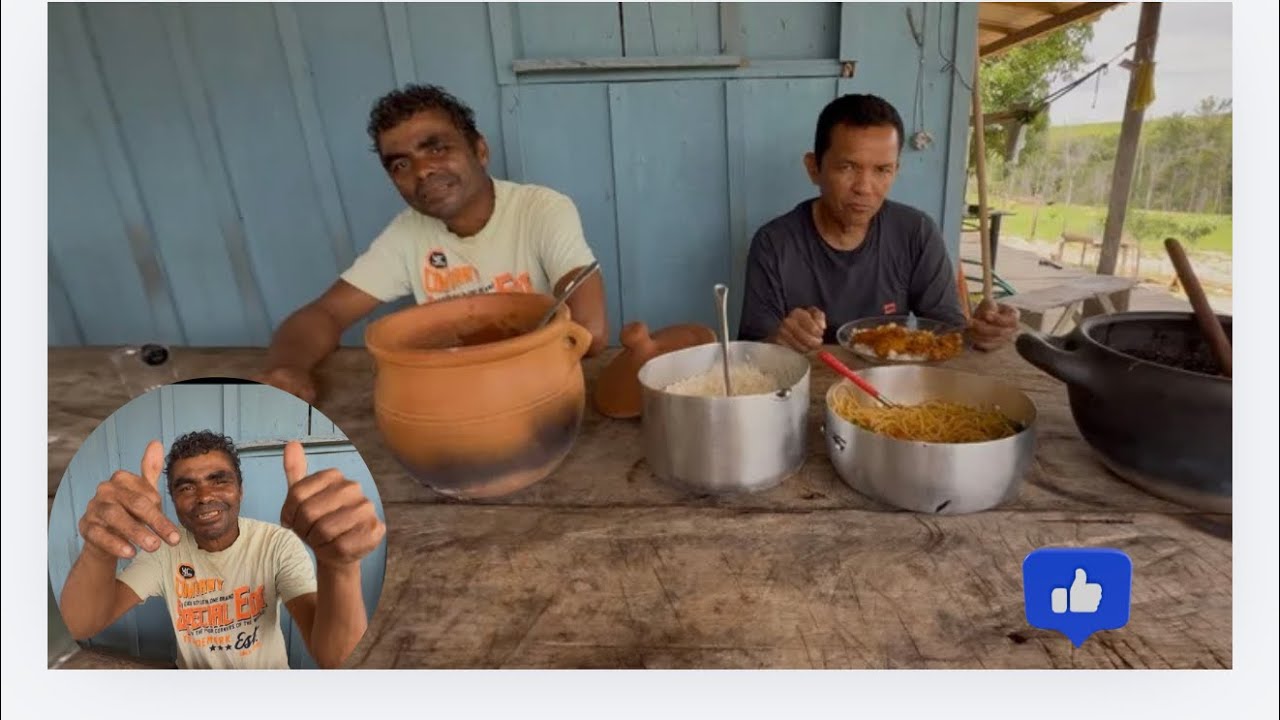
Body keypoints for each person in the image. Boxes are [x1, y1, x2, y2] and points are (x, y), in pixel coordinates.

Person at [258, 84, 608, 402]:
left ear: (480, 150)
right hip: (452, 397)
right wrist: (289, 367)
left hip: (540, 395)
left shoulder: (540, 209)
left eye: (437, 148)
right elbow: (326, 313)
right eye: (400, 164)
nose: (422, 170)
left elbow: (590, 330)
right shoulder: (408, 234)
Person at [58, 431, 386, 669]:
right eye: (186, 487)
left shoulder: (276, 544)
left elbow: (336, 656)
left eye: (219, 481)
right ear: (172, 500)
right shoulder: (163, 553)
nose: (203, 496)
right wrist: (100, 550)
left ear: (240, 491)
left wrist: (339, 566)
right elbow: (81, 624)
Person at [737, 93, 1019, 353]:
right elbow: (753, 351)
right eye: (847, 167)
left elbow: (948, 332)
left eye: (882, 170)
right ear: (814, 168)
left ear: (895, 171)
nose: (864, 188)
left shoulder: (916, 233)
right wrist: (781, 339)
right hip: (806, 388)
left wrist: (981, 333)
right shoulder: (774, 243)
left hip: (892, 389)